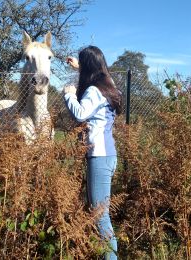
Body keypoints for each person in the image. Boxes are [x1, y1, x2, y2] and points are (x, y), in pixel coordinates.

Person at [63, 46, 122, 260]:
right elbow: (101, 74)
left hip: (99, 157)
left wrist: (69, 95)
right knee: (100, 213)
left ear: (88, 67)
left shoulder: (93, 91)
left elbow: (81, 114)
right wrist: (80, 67)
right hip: (108, 156)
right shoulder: (109, 87)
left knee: (100, 216)